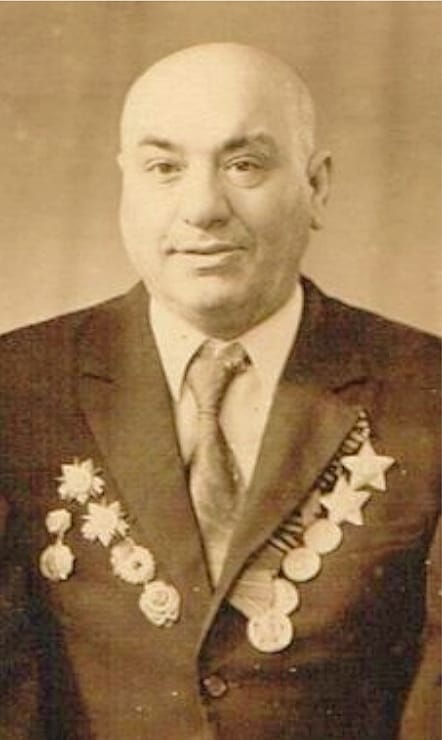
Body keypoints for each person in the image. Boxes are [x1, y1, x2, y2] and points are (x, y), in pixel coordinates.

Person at [0, 43, 439, 740]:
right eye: (164, 168)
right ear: (126, 186)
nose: (202, 208)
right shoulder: (17, 387)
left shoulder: (426, 391)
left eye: (245, 165)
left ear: (317, 186)